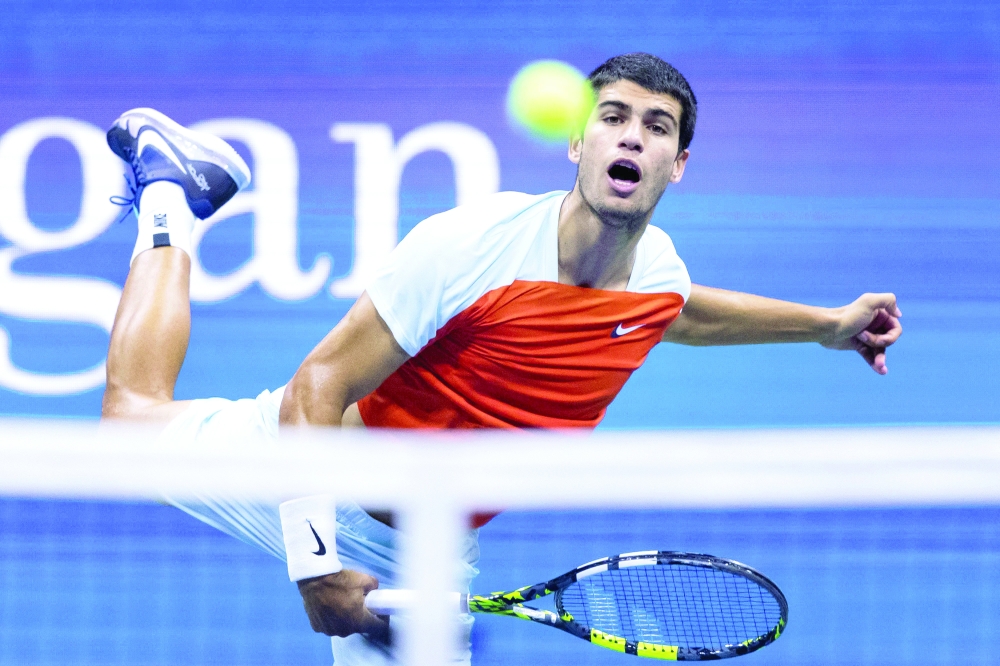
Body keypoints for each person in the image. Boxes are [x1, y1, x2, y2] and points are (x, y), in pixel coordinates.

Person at [100, 53, 901, 664]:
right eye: (613, 117)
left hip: (438, 546)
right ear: (576, 142)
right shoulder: (471, 247)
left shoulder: (654, 276)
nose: (632, 135)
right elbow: (316, 386)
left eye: (657, 127)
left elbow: (681, 313)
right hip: (317, 477)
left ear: (678, 164)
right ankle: (174, 191)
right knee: (129, 426)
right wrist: (316, 563)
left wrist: (827, 325)